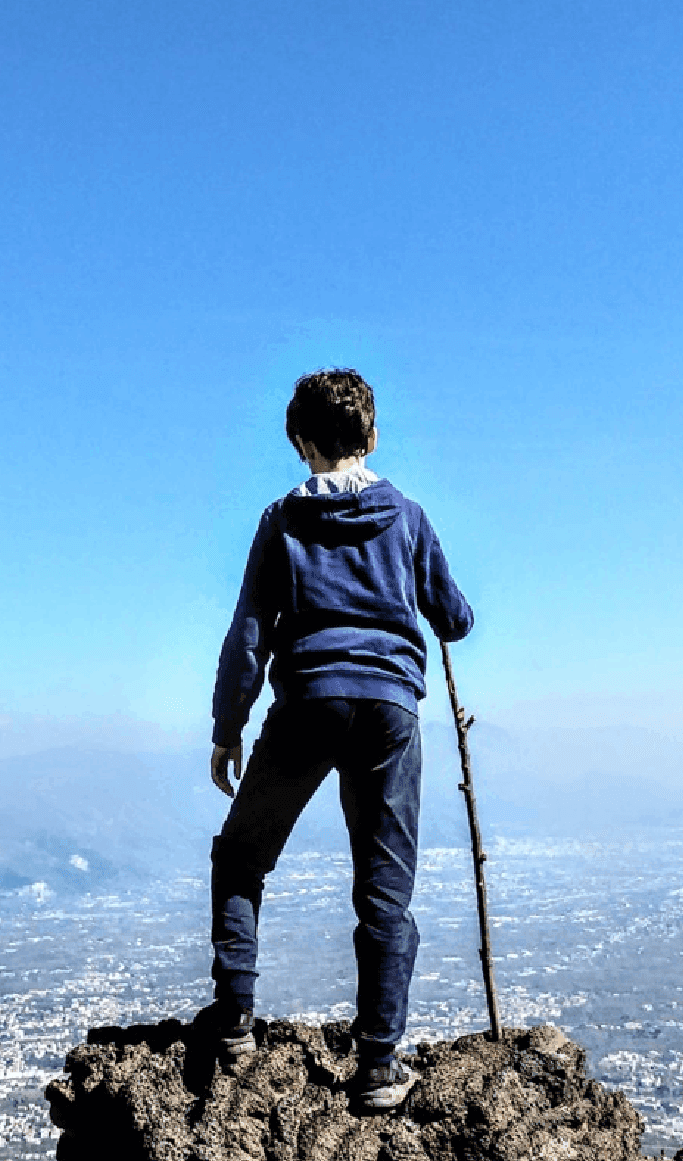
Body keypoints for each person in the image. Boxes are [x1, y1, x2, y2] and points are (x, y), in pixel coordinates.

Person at [197, 368, 474, 1111]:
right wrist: (443, 609)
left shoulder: (280, 522)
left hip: (309, 700)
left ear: (300, 444)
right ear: (373, 435)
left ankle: (233, 1019)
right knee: (385, 891)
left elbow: (248, 636)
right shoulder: (408, 516)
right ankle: (378, 1065)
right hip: (390, 710)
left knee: (241, 855)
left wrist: (229, 727)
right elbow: (452, 617)